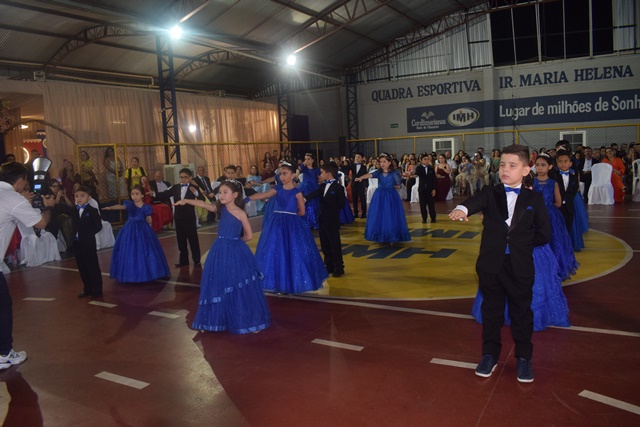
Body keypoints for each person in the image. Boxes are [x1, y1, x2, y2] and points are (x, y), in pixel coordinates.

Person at [449, 144, 550, 383]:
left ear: (525, 170)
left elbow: (544, 233)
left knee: (522, 312)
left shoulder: (534, 199)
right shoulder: (490, 192)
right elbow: (473, 201)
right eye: (503, 164)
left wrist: (521, 243)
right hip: (491, 265)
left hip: (519, 266)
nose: (505, 169)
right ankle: (489, 355)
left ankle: (524, 358)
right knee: (492, 311)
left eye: (512, 165)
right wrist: (462, 208)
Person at [472, 174, 570, 332]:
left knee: (534, 285)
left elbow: (543, 232)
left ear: (529, 188)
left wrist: (524, 241)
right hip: (504, 251)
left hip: (531, 251)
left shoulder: (534, 202)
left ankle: (528, 317)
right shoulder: (500, 201)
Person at [175, 180, 270, 333]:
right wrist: (186, 200)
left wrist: (234, 242)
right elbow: (203, 204)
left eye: (225, 192)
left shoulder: (241, 213)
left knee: (236, 282)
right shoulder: (220, 209)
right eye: (220, 192)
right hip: (219, 251)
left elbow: (249, 236)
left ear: (235, 195)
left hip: (234, 250)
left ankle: (243, 318)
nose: (221, 195)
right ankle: (220, 318)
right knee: (219, 281)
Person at [0, 161, 55, 368]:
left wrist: (21, 202)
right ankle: (4, 353)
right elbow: (41, 222)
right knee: (3, 307)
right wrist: (48, 207)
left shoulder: (11, 198)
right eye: (25, 181)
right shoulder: (13, 199)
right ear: (20, 180)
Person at [247, 162, 328, 294]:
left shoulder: (297, 193)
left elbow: (302, 212)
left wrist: (291, 214)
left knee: (292, 253)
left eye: (285, 174)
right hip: (277, 225)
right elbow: (262, 195)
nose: (282, 177)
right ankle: (279, 283)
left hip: (291, 225)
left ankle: (290, 283)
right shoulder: (277, 189)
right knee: (277, 253)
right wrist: (246, 199)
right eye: (280, 174)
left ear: (293, 175)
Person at [103, 185, 170, 283]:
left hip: (143, 229)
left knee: (145, 250)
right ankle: (131, 274)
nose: (134, 196)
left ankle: (148, 273)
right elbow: (121, 206)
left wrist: (149, 219)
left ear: (142, 195)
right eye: (132, 194)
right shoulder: (130, 205)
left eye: (137, 194)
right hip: (129, 230)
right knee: (129, 250)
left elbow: (149, 220)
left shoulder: (146, 207)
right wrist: (110, 208)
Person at [532, 154, 578, 281]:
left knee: (554, 241)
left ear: (550, 166)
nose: (539, 168)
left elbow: (558, 203)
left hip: (551, 217)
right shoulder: (532, 182)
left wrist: (546, 206)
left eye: (543, 165)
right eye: (537, 165)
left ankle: (554, 268)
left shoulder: (553, 183)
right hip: (534, 216)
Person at [55, 186, 104, 298]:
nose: (79, 198)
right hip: (77, 243)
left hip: (88, 242)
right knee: (82, 267)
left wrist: (88, 234)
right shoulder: (74, 210)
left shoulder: (92, 211)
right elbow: (62, 208)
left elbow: (98, 226)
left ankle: (97, 290)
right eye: (76, 196)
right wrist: (54, 202)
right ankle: (87, 288)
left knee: (92, 266)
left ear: (89, 197)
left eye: (82, 196)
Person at [153, 168, 204, 267]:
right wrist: (154, 194)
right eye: (181, 177)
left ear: (190, 177)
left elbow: (202, 199)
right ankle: (183, 260)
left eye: (185, 177)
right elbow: (165, 194)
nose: (183, 179)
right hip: (178, 217)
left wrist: (196, 193)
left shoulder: (194, 187)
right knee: (181, 239)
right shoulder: (175, 187)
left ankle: (196, 260)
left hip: (189, 217)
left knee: (193, 239)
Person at [355, 153, 410, 244]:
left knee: (390, 215)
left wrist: (390, 186)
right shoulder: (378, 172)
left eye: (384, 161)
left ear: (389, 162)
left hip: (391, 196)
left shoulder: (394, 173)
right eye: (380, 162)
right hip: (379, 196)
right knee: (379, 215)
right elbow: (370, 175)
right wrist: (361, 177)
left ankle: (392, 236)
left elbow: (399, 186)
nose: (382, 163)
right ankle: (380, 235)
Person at [303, 162, 346, 277]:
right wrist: (303, 199)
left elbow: (341, 203)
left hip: (332, 220)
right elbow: (313, 194)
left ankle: (338, 267)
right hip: (322, 220)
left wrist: (331, 209)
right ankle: (329, 266)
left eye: (321, 173)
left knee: (334, 245)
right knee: (325, 244)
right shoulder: (322, 187)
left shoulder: (338, 188)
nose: (320, 175)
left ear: (328, 173)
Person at [297, 153, 321, 229]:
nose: (307, 161)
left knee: (313, 204)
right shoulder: (303, 168)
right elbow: (298, 172)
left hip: (313, 187)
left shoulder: (316, 169)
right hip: (304, 187)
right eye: (305, 159)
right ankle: (304, 222)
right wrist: (303, 165)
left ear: (312, 160)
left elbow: (319, 179)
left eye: (308, 159)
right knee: (304, 204)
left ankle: (312, 221)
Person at [415, 153, 437, 223]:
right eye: (425, 159)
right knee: (422, 204)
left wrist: (434, 189)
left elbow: (434, 179)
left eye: (428, 159)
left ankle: (433, 217)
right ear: (421, 160)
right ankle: (424, 218)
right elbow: (416, 174)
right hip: (422, 189)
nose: (427, 161)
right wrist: (410, 174)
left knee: (431, 204)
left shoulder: (431, 168)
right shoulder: (419, 168)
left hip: (430, 189)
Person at [350, 152, 368, 219]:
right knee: (354, 199)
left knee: (362, 199)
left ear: (362, 158)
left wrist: (366, 186)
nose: (357, 158)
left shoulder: (364, 167)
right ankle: (355, 213)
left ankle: (364, 213)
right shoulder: (352, 166)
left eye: (358, 157)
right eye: (356, 157)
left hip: (361, 185)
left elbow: (366, 176)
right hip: (354, 184)